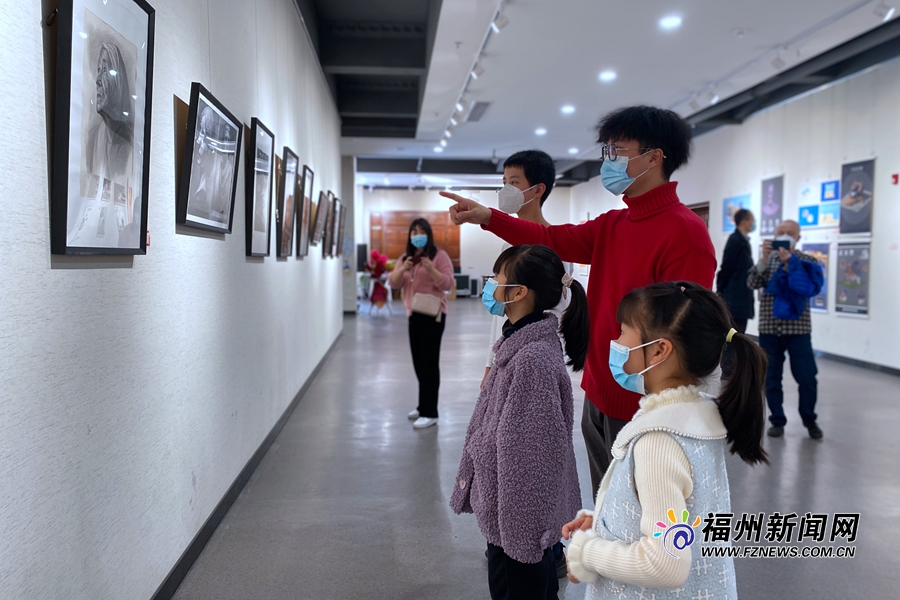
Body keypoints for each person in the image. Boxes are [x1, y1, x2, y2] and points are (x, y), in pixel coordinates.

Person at [443, 106, 717, 497]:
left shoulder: (685, 234)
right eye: (606, 151)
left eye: (616, 151)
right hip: (600, 390)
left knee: (644, 517)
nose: (607, 161)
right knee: (608, 504)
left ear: (654, 157)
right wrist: (487, 216)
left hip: (647, 405)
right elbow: (552, 239)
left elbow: (684, 332)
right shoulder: (613, 224)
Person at [563, 282, 768, 600]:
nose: (615, 341)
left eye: (623, 331)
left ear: (659, 349)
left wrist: (586, 553)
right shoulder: (695, 417)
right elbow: (685, 516)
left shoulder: (658, 442)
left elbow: (665, 563)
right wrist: (606, 522)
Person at [450, 245, 587, 600]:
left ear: (519, 292)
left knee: (520, 588)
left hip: (517, 517)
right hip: (506, 510)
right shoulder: (519, 344)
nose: (490, 285)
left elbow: (529, 457)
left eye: (497, 278)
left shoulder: (532, 361)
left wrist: (520, 529)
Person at [747, 220, 824, 439]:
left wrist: (790, 264)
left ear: (798, 238)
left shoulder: (807, 260)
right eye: (781, 233)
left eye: (790, 233)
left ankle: (810, 420)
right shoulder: (768, 261)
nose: (786, 236)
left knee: (807, 377)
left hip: (799, 329)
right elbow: (751, 282)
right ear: (774, 235)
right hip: (769, 328)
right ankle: (777, 420)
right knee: (772, 377)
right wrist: (763, 258)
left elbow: (809, 288)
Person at [388, 219, 455, 429]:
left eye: (421, 231)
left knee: (429, 363)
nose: (417, 234)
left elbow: (448, 284)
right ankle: (422, 405)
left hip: (433, 315)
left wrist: (431, 269)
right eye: (414, 231)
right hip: (413, 314)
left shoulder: (439, 256)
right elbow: (393, 282)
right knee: (418, 362)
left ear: (428, 234)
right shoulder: (405, 258)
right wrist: (403, 268)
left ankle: (430, 412)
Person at [716, 208, 756, 376]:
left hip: (741, 297)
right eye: (752, 220)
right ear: (744, 221)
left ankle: (732, 368)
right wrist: (721, 292)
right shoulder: (735, 240)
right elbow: (727, 268)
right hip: (734, 298)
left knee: (738, 333)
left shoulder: (743, 241)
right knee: (733, 334)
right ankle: (728, 369)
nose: (753, 223)